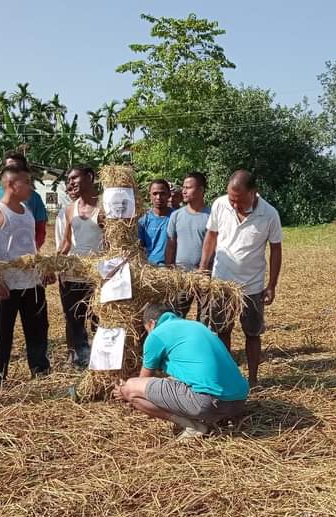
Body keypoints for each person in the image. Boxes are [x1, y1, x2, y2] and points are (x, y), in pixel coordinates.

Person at [112, 304, 249, 440]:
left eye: (147, 330)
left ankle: (193, 426)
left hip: (209, 403)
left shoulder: (157, 335)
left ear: (152, 323)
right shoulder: (196, 326)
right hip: (239, 401)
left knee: (130, 387)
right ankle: (218, 417)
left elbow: (143, 380)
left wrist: (123, 392)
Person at [199, 169, 282, 388]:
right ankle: (228, 377)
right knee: (221, 331)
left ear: (254, 193)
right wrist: (203, 267)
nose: (234, 204)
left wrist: (271, 285)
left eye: (239, 200)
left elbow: (275, 250)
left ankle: (253, 380)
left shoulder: (269, 214)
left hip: (251, 286)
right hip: (222, 283)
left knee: (252, 333)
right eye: (231, 199)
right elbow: (212, 236)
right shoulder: (220, 205)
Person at [0, 165, 53, 388]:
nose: (30, 186)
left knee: (38, 329)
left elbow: (31, 248)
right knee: (3, 334)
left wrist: (43, 270)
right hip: (6, 285)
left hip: (31, 282)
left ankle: (40, 373)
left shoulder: (27, 211)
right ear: (11, 184)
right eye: (26, 182)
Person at [60, 166, 104, 368]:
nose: (71, 183)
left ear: (89, 177)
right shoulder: (70, 209)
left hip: (98, 276)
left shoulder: (104, 207)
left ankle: (99, 360)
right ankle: (80, 362)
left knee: (99, 320)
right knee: (75, 320)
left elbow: (113, 243)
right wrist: (56, 263)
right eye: (69, 180)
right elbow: (67, 243)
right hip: (73, 276)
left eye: (74, 178)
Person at [165, 172, 211, 317]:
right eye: (183, 187)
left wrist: (206, 269)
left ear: (201, 190)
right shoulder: (176, 216)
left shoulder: (212, 216)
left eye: (188, 187)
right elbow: (171, 245)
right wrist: (169, 269)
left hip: (206, 277)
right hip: (182, 276)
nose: (184, 191)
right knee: (176, 314)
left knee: (205, 318)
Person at [0, 151, 48, 249]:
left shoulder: (34, 197)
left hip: (27, 259)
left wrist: (32, 252)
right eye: (9, 168)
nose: (14, 171)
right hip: (0, 260)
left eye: (18, 168)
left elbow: (40, 228)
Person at [55, 176, 80, 362]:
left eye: (75, 184)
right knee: (71, 317)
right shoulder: (64, 214)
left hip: (92, 275)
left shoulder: (98, 211)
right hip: (70, 273)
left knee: (94, 316)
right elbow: (62, 244)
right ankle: (73, 353)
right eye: (69, 187)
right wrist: (59, 268)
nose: (72, 189)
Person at [138, 179, 172, 265]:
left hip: (173, 269)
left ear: (169, 195)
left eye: (162, 193)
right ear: (149, 196)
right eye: (155, 193)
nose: (158, 197)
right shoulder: (143, 221)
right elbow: (140, 247)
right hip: (151, 269)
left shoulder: (176, 217)